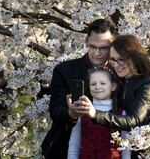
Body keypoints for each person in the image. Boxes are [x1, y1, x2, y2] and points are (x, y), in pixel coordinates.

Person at [79, 34, 150, 158]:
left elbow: (134, 119)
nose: (116, 64)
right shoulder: (120, 82)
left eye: (121, 59)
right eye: (113, 59)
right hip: (124, 150)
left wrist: (95, 114)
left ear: (134, 58)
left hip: (148, 152)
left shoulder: (148, 85)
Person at [41, 18, 118, 159]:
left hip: (111, 149)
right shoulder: (65, 70)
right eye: (93, 46)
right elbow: (56, 110)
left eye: (104, 48)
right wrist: (71, 114)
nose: (97, 53)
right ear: (87, 41)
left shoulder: (120, 72)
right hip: (66, 147)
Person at [67, 66, 130, 159]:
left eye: (103, 83)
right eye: (93, 84)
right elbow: (74, 144)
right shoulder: (82, 111)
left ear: (113, 86)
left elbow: (126, 147)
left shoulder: (121, 113)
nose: (97, 87)